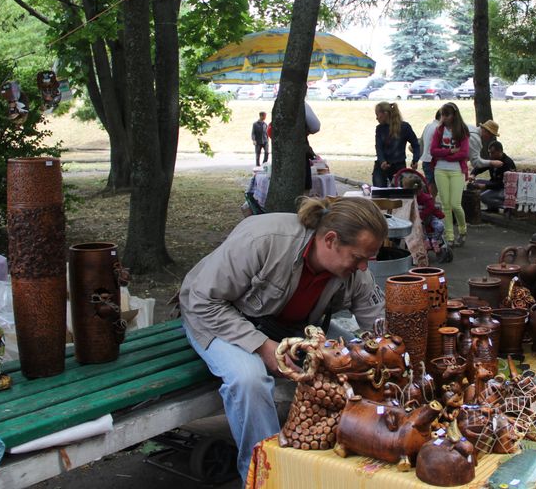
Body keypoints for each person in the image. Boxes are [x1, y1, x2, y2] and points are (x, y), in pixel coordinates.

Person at [180, 196, 388, 483]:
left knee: (353, 357)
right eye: (358, 258)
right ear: (330, 239)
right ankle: (267, 477)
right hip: (216, 317)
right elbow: (202, 300)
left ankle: (331, 457)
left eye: (368, 259)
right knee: (249, 379)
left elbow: (378, 327)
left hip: (284, 326)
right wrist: (263, 347)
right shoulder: (263, 240)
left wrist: (389, 353)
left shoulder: (353, 270)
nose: (363, 267)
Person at [430, 102, 470, 247]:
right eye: (442, 115)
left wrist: (446, 156)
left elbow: (464, 153)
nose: (444, 118)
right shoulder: (439, 130)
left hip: (456, 171)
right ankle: (450, 236)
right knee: (445, 205)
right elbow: (433, 151)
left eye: (447, 115)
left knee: (455, 204)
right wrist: (450, 151)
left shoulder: (462, 130)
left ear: (454, 115)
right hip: (440, 170)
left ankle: (462, 229)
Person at [372, 102, 420, 187]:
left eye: (377, 114)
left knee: (399, 192)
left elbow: (415, 144)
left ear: (385, 113)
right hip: (381, 166)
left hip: (399, 166)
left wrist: (415, 160)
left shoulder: (405, 127)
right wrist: (382, 161)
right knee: (379, 191)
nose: (376, 118)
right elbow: (378, 147)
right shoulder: (379, 129)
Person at [470, 140, 516, 212]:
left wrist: (485, 186)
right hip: (493, 184)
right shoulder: (493, 159)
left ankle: (507, 206)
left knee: (483, 196)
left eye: (492, 153)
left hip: (504, 189)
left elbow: (502, 184)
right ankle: (492, 208)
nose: (490, 155)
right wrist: (473, 174)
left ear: (500, 151)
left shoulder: (508, 163)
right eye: (489, 153)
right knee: (475, 183)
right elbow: (480, 167)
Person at [419, 109, 441, 196]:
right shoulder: (438, 128)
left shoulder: (428, 126)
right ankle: (430, 202)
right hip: (432, 160)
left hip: (426, 159)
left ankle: (430, 201)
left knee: (431, 184)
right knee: (432, 187)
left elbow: (421, 142)